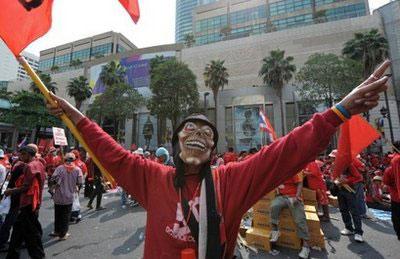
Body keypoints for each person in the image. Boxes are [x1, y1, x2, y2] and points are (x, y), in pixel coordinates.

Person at [46, 62, 390, 258]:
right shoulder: (150, 177)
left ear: (213, 151)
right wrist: (73, 114)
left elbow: (285, 152)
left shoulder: (232, 180)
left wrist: (338, 112)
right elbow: (111, 151)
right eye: (189, 128)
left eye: (207, 133)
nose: (198, 133)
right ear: (176, 141)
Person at [3, 146, 46, 259]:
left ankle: (38, 256)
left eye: (22, 155)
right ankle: (12, 255)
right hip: (33, 202)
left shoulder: (29, 166)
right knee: (18, 230)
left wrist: (11, 191)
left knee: (32, 234)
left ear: (27, 154)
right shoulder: (39, 164)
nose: (20, 157)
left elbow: (26, 187)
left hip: (28, 202)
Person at [270, 173, 310, 258]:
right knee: (273, 207)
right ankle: (275, 231)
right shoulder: (278, 169)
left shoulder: (294, 168)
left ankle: (306, 246)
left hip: (293, 196)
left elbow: (300, 183)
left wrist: (297, 196)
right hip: (282, 196)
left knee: (299, 219)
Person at [49, 153, 83, 240]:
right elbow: (79, 182)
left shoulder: (60, 168)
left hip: (58, 196)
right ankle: (63, 234)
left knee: (58, 214)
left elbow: (52, 180)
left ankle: (56, 231)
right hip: (69, 196)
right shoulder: (77, 170)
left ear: (65, 160)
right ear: (74, 160)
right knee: (66, 216)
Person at [0, 160, 26, 251]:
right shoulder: (20, 171)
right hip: (15, 201)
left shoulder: (13, 170)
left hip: (11, 200)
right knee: (10, 222)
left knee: (8, 222)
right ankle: (3, 243)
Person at [383, 141, 400, 240]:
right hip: (395, 196)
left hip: (396, 198)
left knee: (397, 219)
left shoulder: (394, 162)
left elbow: (386, 181)